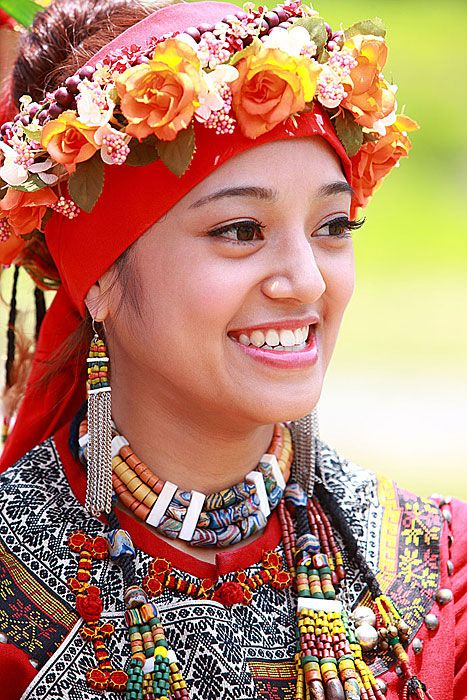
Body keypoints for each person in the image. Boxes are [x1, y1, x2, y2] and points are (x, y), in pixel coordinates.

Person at [0, 1, 465, 699]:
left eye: (333, 226)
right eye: (242, 230)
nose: (305, 281)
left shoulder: (443, 577)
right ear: (97, 277)